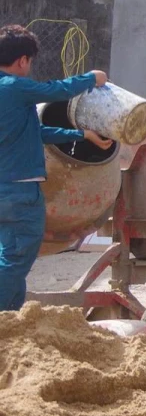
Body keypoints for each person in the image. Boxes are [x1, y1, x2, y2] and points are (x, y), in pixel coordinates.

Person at [0, 25, 110, 311]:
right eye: (30, 61)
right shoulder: (14, 87)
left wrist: (82, 135)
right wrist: (92, 78)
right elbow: (56, 90)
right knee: (15, 261)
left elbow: (37, 131)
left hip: (5, 191)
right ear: (23, 60)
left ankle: (10, 320)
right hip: (20, 192)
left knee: (11, 257)